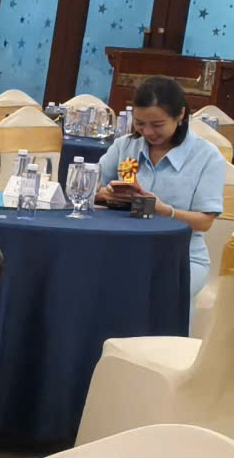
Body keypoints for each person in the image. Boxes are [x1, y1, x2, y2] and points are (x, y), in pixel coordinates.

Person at [95, 75, 226, 305]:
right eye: (139, 123)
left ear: (180, 115)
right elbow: (90, 189)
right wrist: (106, 195)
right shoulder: (125, 146)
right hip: (122, 249)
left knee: (152, 297)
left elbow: (205, 222)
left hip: (180, 258)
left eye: (157, 125)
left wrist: (164, 211)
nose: (147, 132)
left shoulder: (207, 156)